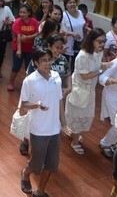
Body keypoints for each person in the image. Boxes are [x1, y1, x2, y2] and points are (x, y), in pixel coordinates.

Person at [19, 48, 72, 197]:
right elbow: (23, 106)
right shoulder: (29, 81)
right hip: (38, 130)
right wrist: (37, 105)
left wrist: (63, 124)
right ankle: (25, 173)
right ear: (36, 63)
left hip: (54, 129)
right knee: (36, 164)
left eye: (49, 59)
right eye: (43, 60)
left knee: (51, 164)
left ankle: (40, 190)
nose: (48, 63)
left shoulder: (56, 77)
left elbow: (60, 101)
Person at [65, 28, 113, 154]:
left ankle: (75, 134)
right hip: (80, 90)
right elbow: (84, 76)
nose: (102, 44)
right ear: (91, 40)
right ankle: (74, 141)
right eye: (99, 41)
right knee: (77, 115)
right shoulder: (83, 56)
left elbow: (97, 65)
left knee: (84, 115)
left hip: (90, 90)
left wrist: (109, 64)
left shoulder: (98, 53)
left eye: (103, 41)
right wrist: (102, 71)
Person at [8, 3, 39, 92]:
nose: (22, 14)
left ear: (29, 13)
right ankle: (11, 82)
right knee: (16, 67)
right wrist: (19, 50)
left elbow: (37, 33)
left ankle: (29, 85)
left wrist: (27, 37)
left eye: (24, 12)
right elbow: (18, 37)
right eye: (20, 12)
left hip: (30, 49)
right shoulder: (17, 22)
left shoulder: (34, 21)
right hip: (18, 48)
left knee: (29, 68)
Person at [61, 0, 86, 69]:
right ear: (66, 5)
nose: (72, 4)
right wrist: (72, 33)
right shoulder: (64, 15)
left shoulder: (80, 12)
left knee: (76, 65)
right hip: (68, 43)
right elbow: (61, 32)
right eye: (70, 3)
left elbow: (82, 25)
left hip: (79, 43)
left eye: (74, 2)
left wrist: (87, 29)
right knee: (67, 65)